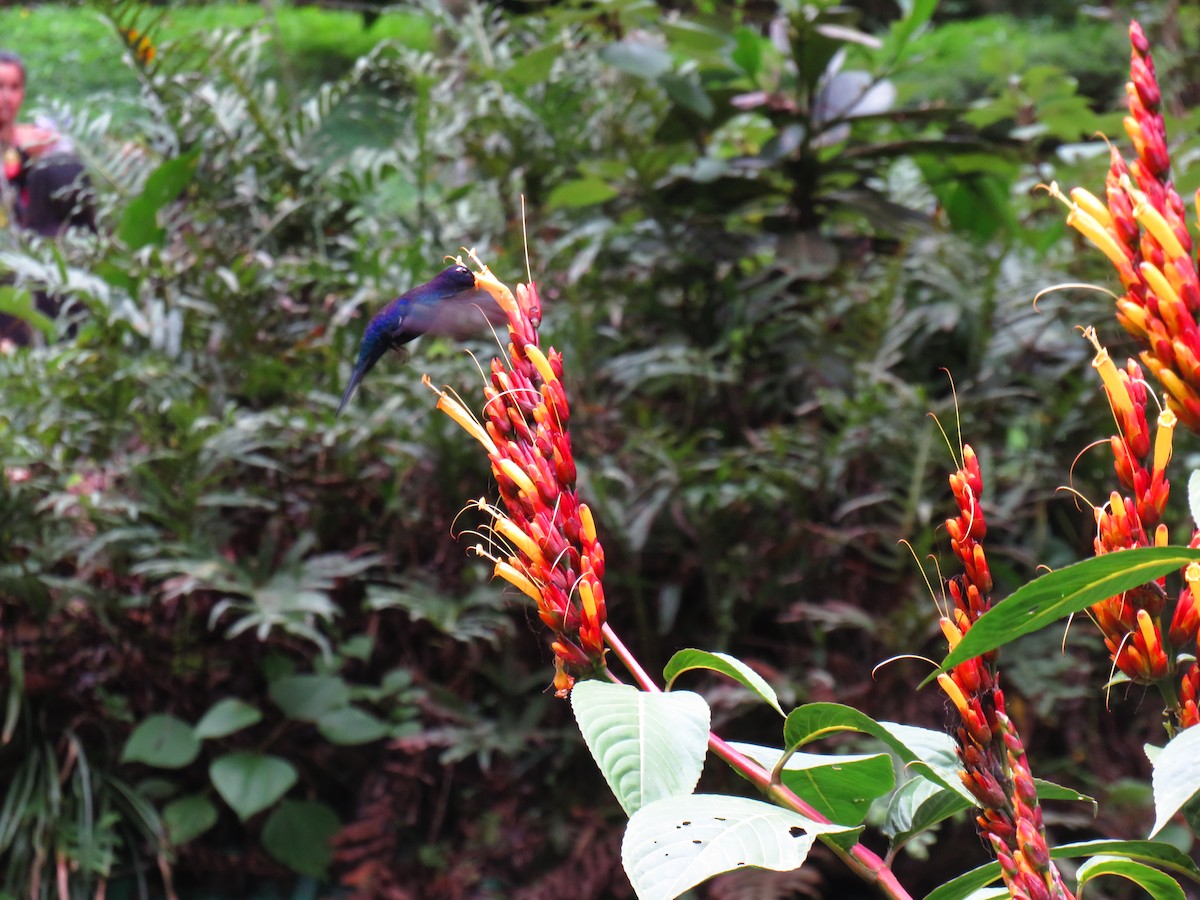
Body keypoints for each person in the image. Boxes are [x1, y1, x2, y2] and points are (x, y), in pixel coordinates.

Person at [0, 50, 95, 344]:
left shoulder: (44, 142)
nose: (6, 97)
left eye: (13, 88)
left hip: (45, 253)